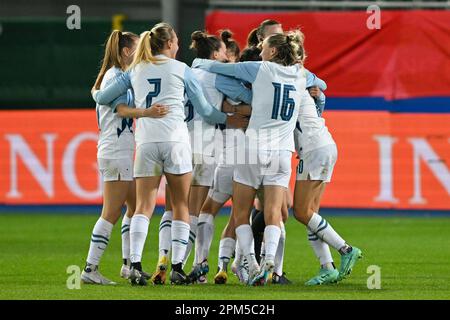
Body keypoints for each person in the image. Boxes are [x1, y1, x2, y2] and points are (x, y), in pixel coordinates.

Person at [91, 23, 248, 286]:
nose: (177, 44)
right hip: (176, 142)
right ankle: (177, 266)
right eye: (175, 40)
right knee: (181, 206)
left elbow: (104, 97)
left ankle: (136, 267)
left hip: (147, 144)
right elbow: (207, 112)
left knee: (143, 207)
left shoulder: (135, 69)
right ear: (169, 44)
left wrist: (95, 91)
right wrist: (229, 119)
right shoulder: (181, 69)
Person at [195, 30, 308, 286]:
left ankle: (252, 264)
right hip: (282, 154)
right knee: (274, 214)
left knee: (241, 213)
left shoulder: (261, 69)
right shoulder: (300, 75)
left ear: (274, 52)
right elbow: (318, 83)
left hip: (253, 149)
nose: (260, 50)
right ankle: (270, 260)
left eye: (265, 46)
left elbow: (220, 69)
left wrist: (197, 63)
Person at [81, 30, 168, 285]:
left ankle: (129, 265)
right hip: (116, 150)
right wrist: (148, 112)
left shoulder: (115, 76)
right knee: (111, 212)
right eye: (138, 48)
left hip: (120, 150)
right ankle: (90, 268)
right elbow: (120, 110)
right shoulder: (117, 75)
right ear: (127, 51)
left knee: (134, 207)